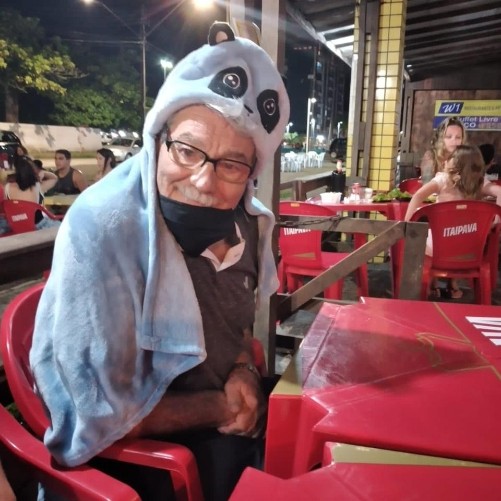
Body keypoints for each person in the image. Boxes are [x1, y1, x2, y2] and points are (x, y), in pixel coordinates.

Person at [30, 22, 289, 501]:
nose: (204, 182)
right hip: (130, 457)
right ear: (157, 138)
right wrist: (222, 407)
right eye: (187, 150)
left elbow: (236, 328)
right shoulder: (104, 228)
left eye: (232, 164)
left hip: (224, 421)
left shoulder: (248, 225)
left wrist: (242, 370)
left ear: (252, 172)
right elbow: (96, 411)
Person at [405, 145, 501, 298]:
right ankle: (450, 284)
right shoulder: (479, 182)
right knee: (461, 233)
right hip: (469, 250)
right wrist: (497, 219)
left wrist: (407, 223)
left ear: (455, 162)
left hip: (438, 248)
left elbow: (417, 196)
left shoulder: (443, 180)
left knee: (425, 237)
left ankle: (430, 283)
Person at [4, 156, 61, 231]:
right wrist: (44, 173)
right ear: (32, 170)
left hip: (16, 227)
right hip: (39, 226)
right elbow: (55, 178)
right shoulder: (38, 186)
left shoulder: (7, 187)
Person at [420, 117, 466, 183]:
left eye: (458, 137)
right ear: (440, 138)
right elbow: (426, 183)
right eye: (448, 137)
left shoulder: (465, 157)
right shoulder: (431, 156)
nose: (454, 141)